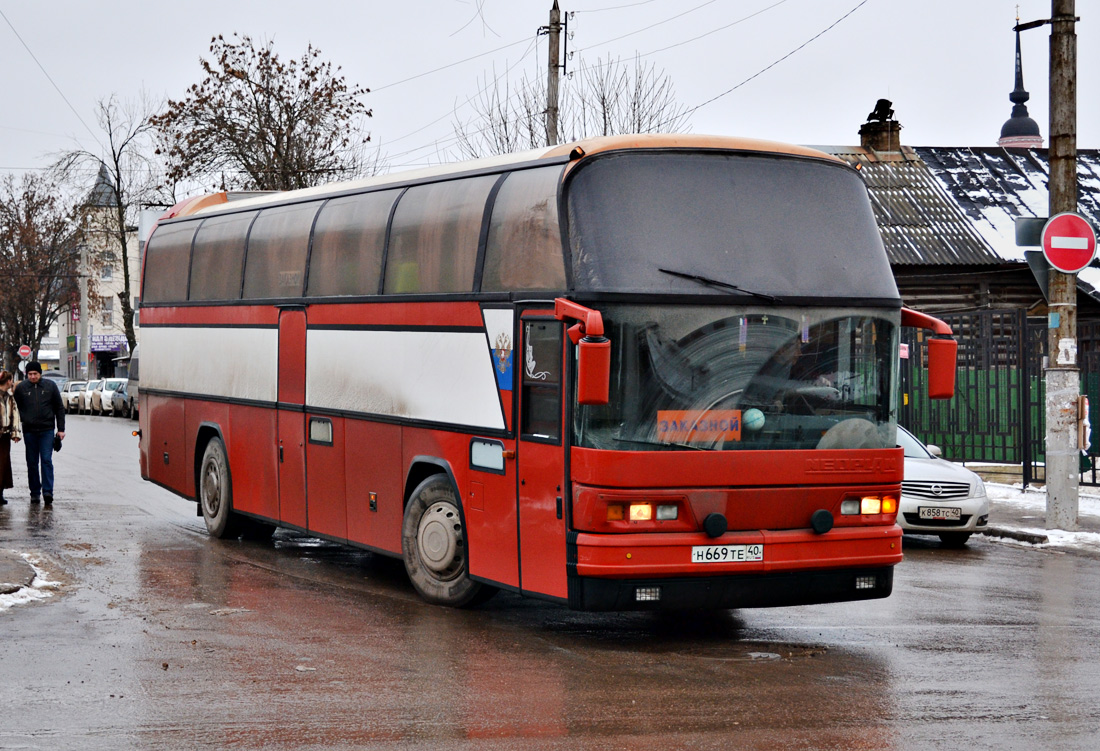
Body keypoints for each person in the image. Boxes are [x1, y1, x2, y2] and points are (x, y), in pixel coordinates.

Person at [13, 361, 65, 504]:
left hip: (47, 430)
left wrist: (61, 429)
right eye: (30, 374)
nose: (33, 377)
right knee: (32, 462)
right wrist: (16, 431)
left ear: (40, 373)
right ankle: (35, 492)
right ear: (26, 374)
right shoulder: (22, 388)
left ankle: (48, 492)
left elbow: (59, 408)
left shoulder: (50, 386)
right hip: (29, 431)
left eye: (35, 374)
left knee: (46, 460)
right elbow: (15, 410)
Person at [0, 370, 22, 505]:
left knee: (3, 465)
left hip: (4, 436)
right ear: (8, 381)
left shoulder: (10, 397)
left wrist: (15, 433)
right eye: (11, 380)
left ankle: (0, 492)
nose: (12, 382)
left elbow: (15, 415)